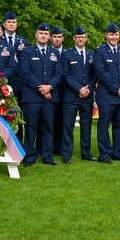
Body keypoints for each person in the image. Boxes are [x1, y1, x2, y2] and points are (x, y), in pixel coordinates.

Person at [17, 22, 62, 166]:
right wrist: (41, 88)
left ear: (49, 37)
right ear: (36, 35)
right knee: (31, 127)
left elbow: (59, 73)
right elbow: (25, 72)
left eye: (46, 34)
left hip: (50, 96)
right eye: (41, 33)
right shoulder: (27, 52)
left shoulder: (55, 53)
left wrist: (49, 87)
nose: (43, 36)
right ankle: (30, 156)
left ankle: (48, 156)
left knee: (48, 127)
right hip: (31, 97)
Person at [94, 22, 120, 164]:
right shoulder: (99, 51)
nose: (114, 37)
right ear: (106, 35)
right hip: (107, 96)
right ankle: (104, 154)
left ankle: (117, 152)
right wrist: (117, 88)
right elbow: (101, 73)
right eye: (111, 34)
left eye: (116, 34)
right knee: (104, 126)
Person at [59, 25, 95, 163]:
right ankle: (66, 155)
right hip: (71, 96)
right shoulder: (66, 54)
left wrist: (89, 88)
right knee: (68, 126)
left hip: (87, 96)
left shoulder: (92, 54)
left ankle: (86, 153)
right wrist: (79, 89)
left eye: (83, 37)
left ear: (86, 38)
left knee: (86, 126)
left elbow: (95, 75)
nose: (81, 39)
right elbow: (65, 75)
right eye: (78, 37)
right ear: (74, 38)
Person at [49, 25, 66, 158]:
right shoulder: (47, 51)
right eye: (54, 37)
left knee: (61, 120)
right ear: (50, 38)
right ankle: (43, 146)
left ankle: (58, 146)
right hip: (49, 90)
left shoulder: (66, 53)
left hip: (65, 91)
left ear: (63, 38)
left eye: (59, 37)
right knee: (47, 121)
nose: (57, 39)